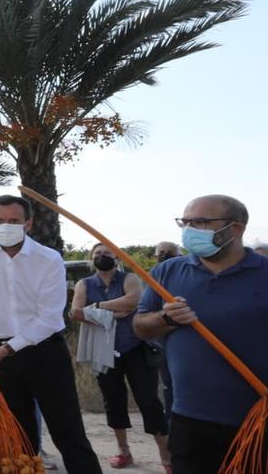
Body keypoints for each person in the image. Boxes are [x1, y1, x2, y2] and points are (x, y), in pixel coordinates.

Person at [136, 195, 268, 474]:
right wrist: (165, 318)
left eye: (201, 222)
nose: (190, 230)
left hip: (256, 418)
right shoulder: (167, 271)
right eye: (186, 222)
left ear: (235, 229)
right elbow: (139, 326)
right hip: (189, 417)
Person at [0, 195, 101, 474]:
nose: (6, 226)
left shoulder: (48, 259)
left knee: (67, 431)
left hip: (44, 352)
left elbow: (49, 317)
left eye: (14, 221)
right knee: (17, 436)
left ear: (28, 224)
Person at [71, 244, 169, 470]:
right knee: (113, 402)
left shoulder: (130, 278)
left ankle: (166, 456)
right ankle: (124, 451)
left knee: (149, 402)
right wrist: (117, 312)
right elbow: (76, 312)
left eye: (107, 253)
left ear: (117, 257)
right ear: (91, 259)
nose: (102, 257)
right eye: (97, 254)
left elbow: (133, 300)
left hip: (135, 348)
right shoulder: (83, 284)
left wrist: (96, 307)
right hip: (103, 354)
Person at [152, 241, 182, 420]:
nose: (164, 255)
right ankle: (171, 420)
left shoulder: (183, 275)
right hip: (162, 338)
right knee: (168, 383)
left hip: (185, 337)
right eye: (161, 252)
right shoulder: (152, 279)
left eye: (169, 252)